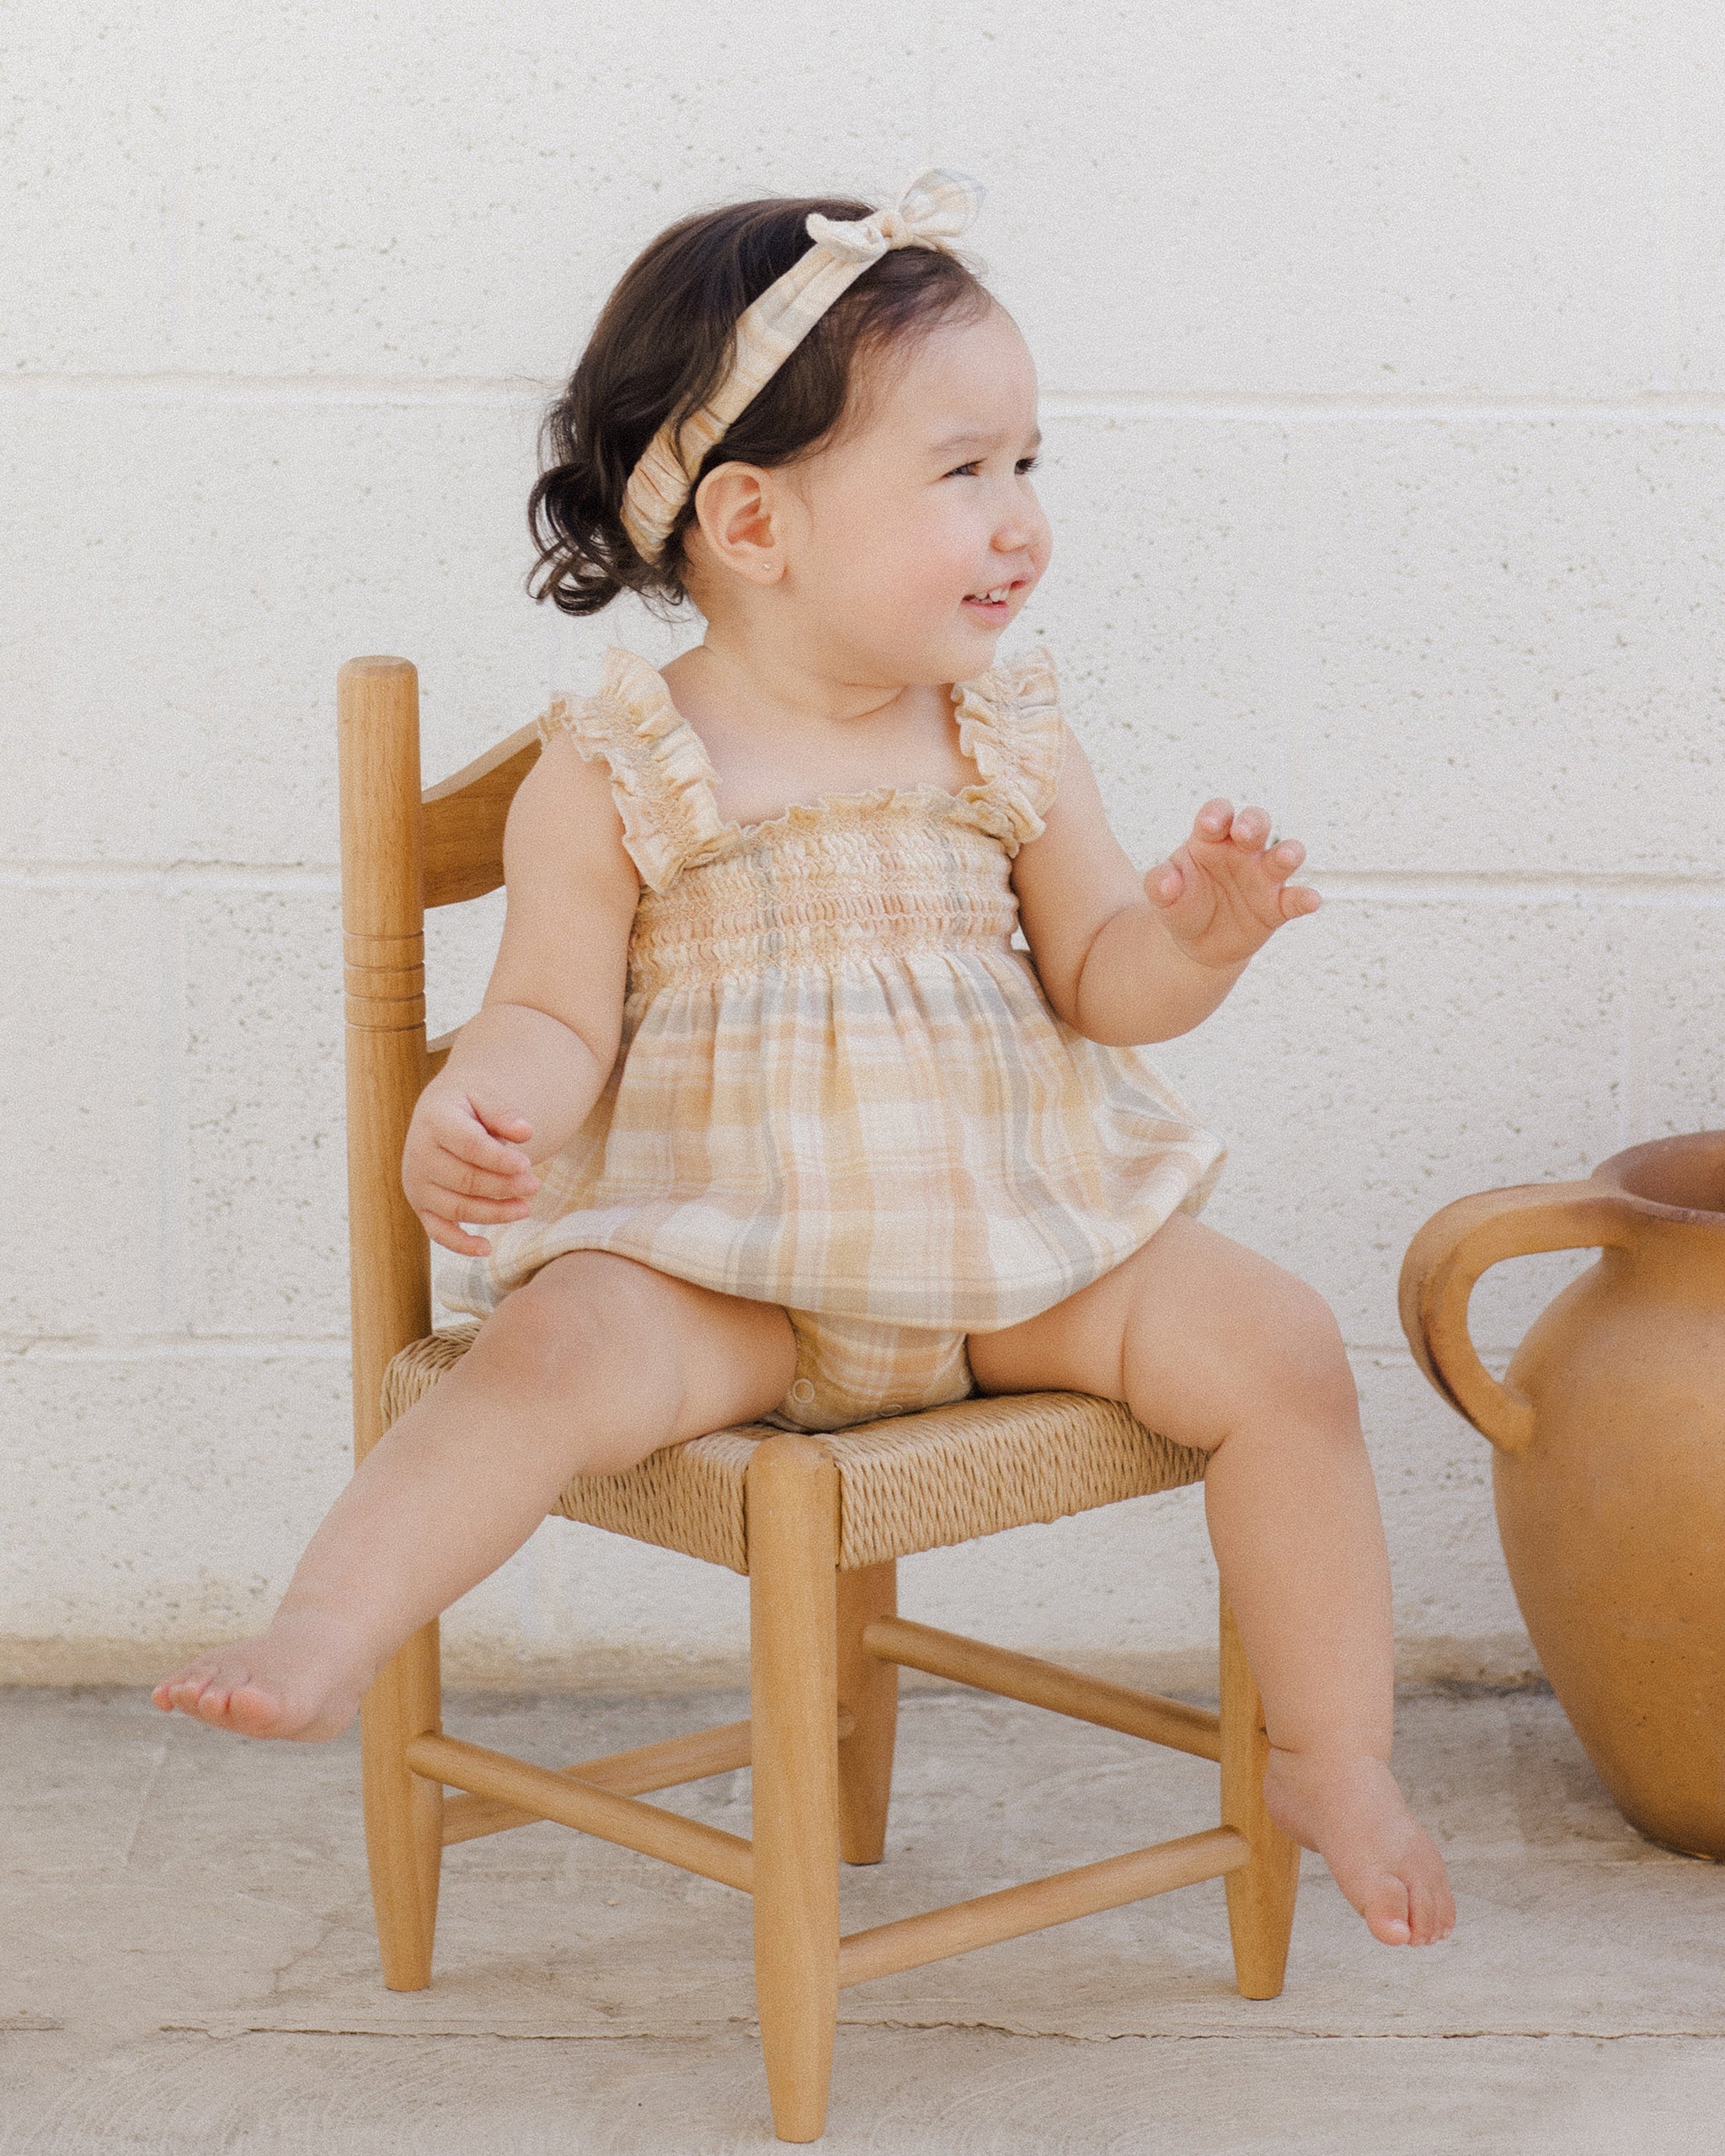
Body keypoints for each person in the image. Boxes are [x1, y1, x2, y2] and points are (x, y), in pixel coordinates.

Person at [155, 172, 1455, 1949]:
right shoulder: (617, 763)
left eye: (1028, 463)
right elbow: (550, 1011)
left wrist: (1199, 938)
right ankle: (325, 1621)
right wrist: (479, 1104)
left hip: (1013, 1255)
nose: (1025, 522)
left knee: (1283, 1345)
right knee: (543, 1350)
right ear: (755, 523)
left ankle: (1331, 1748)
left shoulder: (1005, 726)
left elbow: (1101, 974)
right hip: (732, 1265)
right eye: (964, 471)